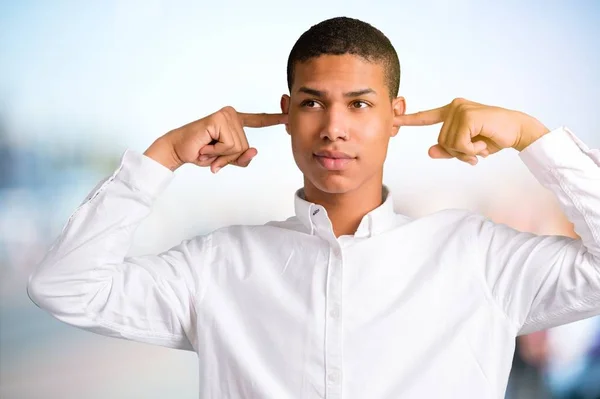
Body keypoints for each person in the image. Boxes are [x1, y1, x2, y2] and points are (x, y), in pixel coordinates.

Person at [26, 16, 600, 399]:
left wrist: (532, 137)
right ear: (287, 112)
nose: (333, 128)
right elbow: (65, 287)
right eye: (313, 103)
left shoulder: (478, 257)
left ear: (395, 115)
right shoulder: (218, 264)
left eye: (359, 103)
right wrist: (162, 157)